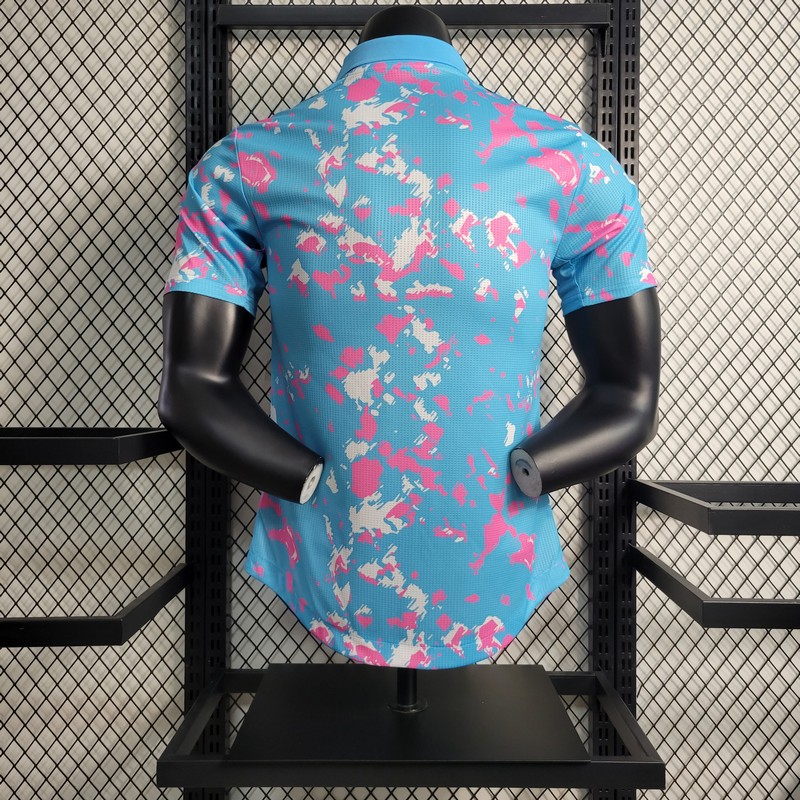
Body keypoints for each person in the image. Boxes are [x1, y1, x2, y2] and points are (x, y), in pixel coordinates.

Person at [159, 5, 660, 670]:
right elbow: (629, 396)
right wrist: (537, 468)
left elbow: (193, 389)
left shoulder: (246, 163)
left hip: (333, 544)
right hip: (487, 546)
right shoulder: (571, 163)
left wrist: (300, 477)